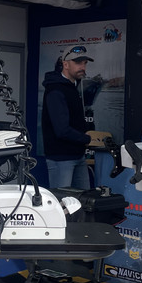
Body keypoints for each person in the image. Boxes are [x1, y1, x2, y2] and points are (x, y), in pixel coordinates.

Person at [41, 45, 102, 188]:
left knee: (84, 198)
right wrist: (87, 139)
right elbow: (61, 130)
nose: (83, 67)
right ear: (65, 64)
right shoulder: (55, 90)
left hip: (78, 156)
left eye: (84, 63)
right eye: (78, 63)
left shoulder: (73, 87)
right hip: (60, 158)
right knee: (62, 199)